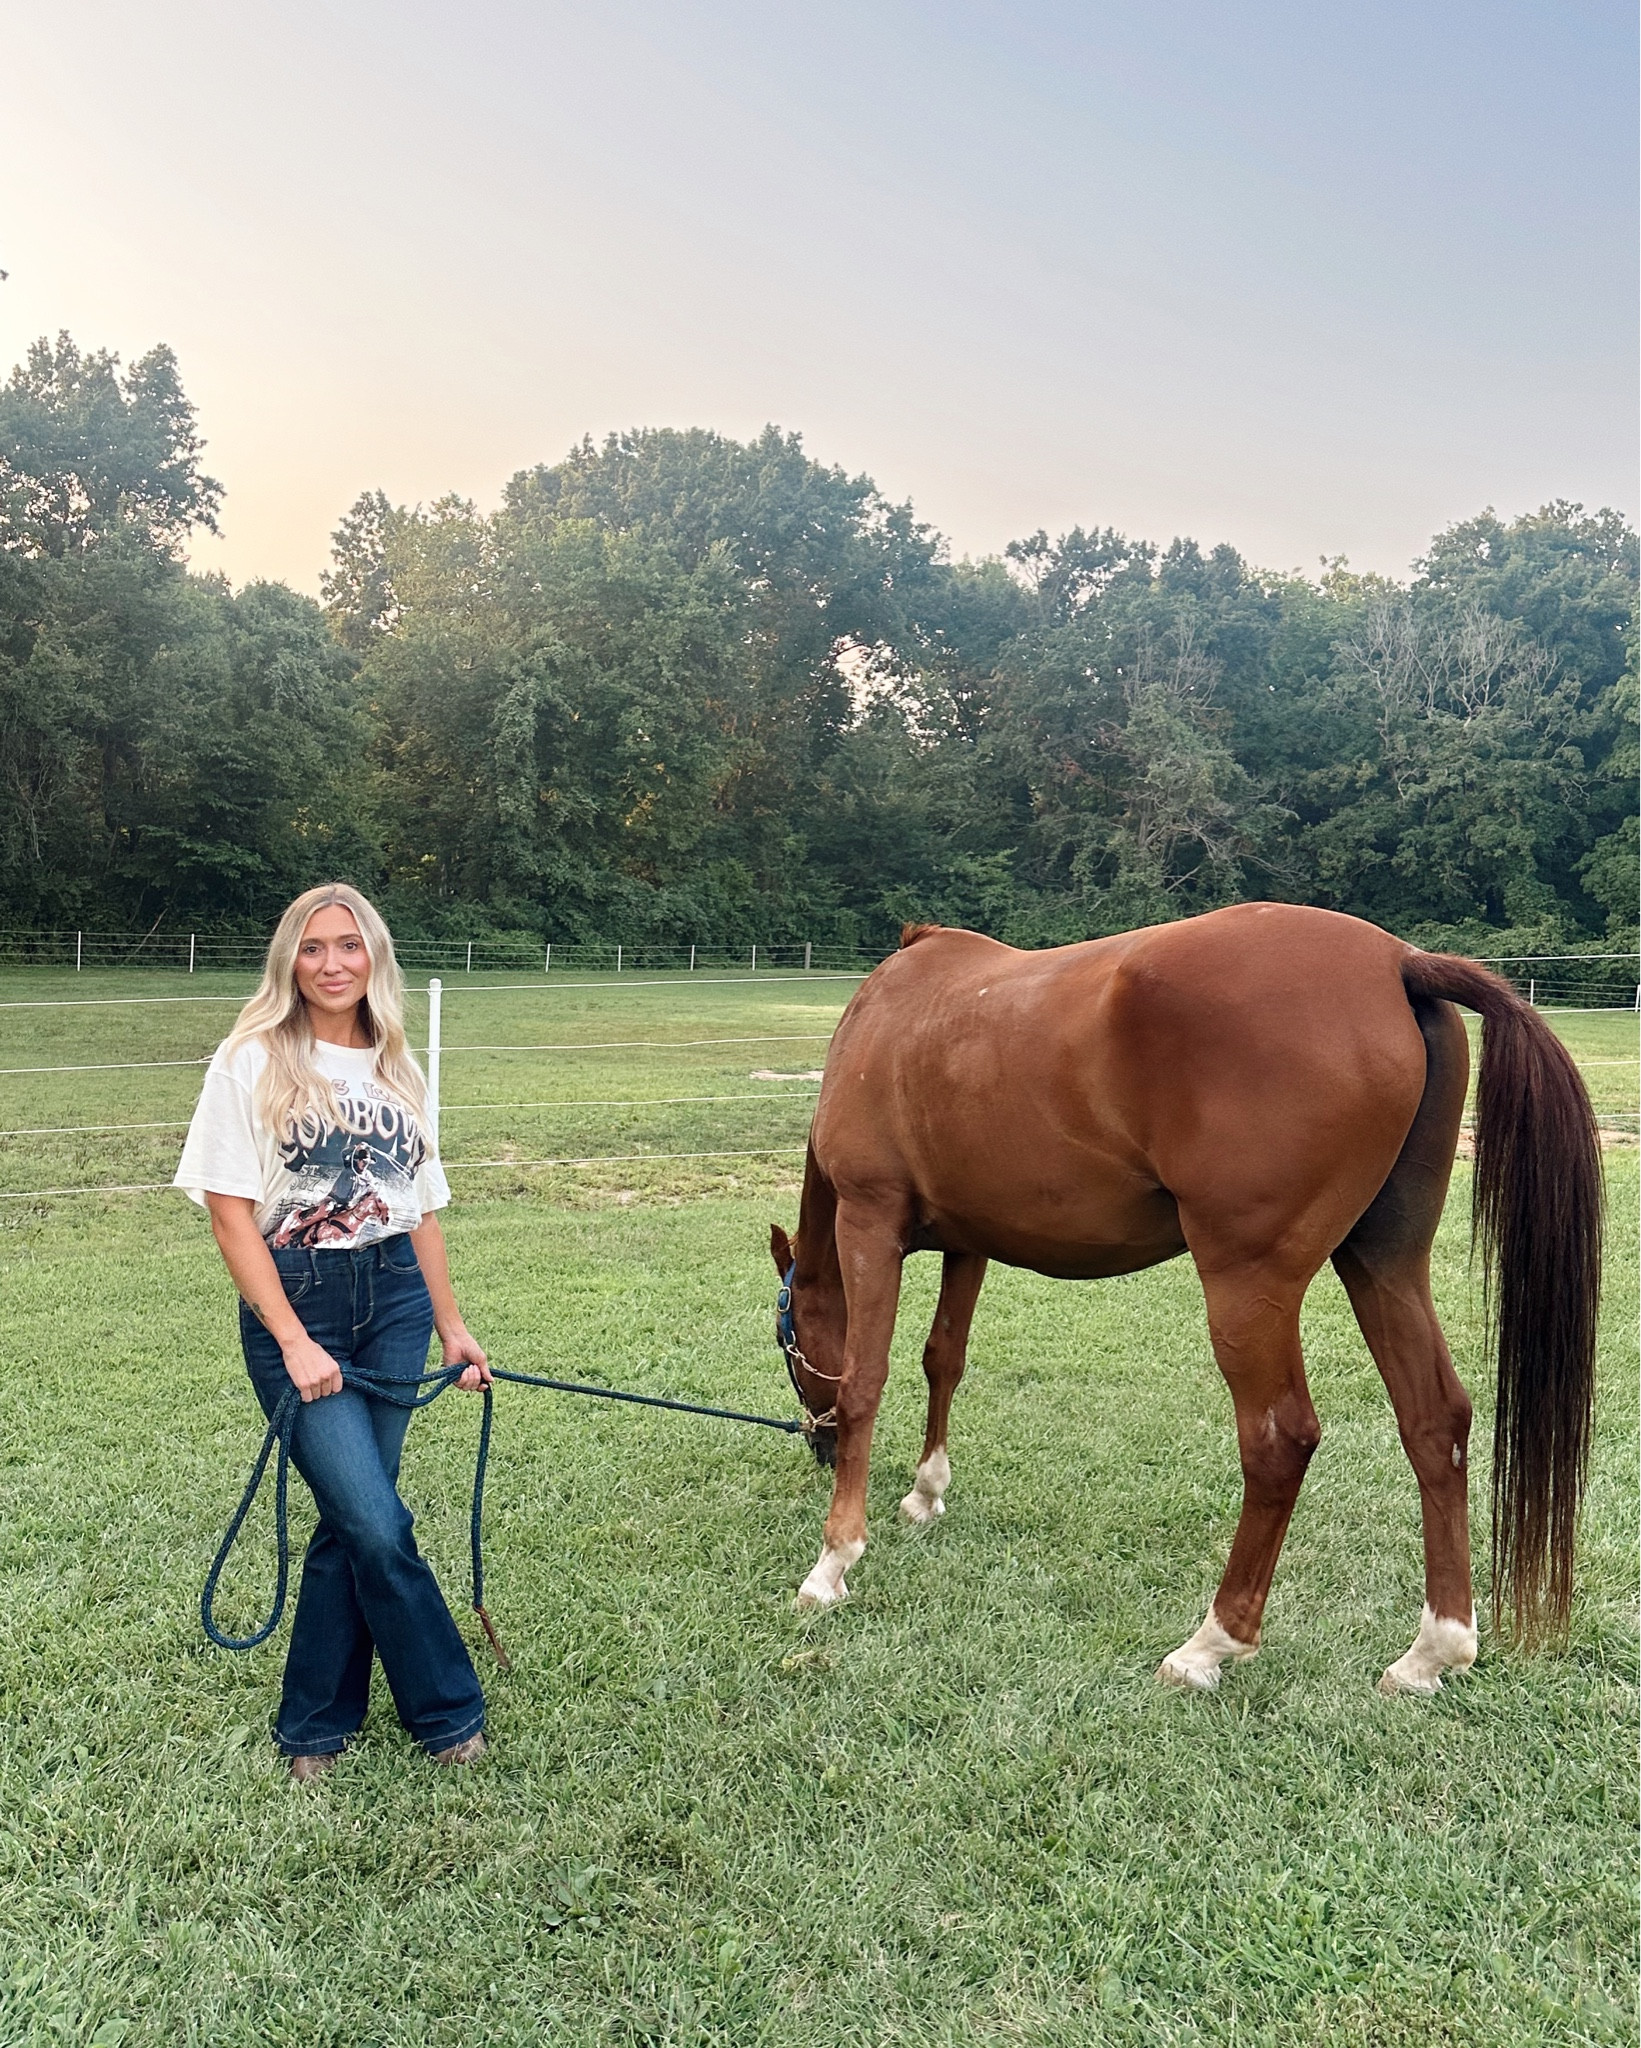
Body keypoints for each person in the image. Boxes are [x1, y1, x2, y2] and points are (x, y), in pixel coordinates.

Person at [175, 882, 491, 1780]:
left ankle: (315, 1721)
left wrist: (452, 1326)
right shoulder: (249, 1060)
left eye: (348, 946)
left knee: (350, 1519)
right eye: (311, 948)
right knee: (376, 1519)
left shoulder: (397, 1064)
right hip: (299, 1301)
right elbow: (232, 1216)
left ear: (374, 957)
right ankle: (447, 1707)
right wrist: (291, 1338)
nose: (331, 964)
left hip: (392, 1297)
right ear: (289, 960)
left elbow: (419, 1209)